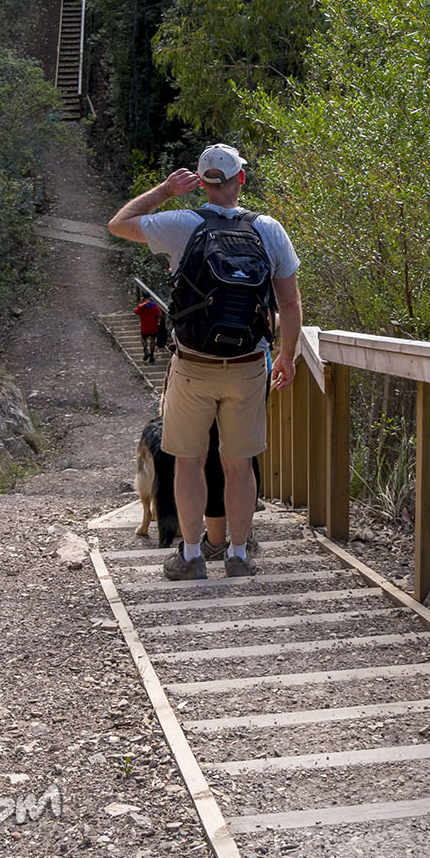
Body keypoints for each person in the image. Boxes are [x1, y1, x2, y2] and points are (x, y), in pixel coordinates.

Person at [108, 143, 301, 582]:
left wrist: (165, 190)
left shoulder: (182, 224)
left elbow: (118, 224)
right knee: (238, 463)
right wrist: (286, 356)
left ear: (200, 182)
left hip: (193, 365)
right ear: (240, 179)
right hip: (249, 364)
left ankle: (192, 557)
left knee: (190, 461)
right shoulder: (268, 229)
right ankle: (238, 555)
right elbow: (289, 304)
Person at [135, 294, 163, 363]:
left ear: (143, 298)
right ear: (150, 298)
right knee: (152, 340)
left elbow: (136, 312)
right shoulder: (154, 305)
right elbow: (160, 315)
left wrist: (140, 304)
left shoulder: (141, 306)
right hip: (153, 326)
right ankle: (152, 356)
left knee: (143, 338)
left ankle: (145, 350)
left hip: (144, 326)